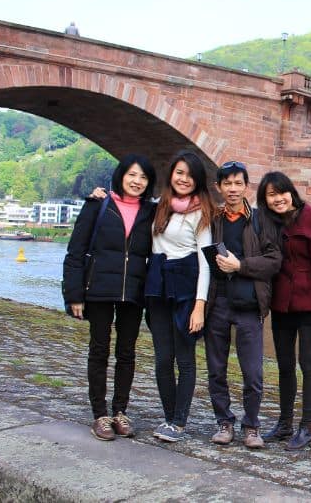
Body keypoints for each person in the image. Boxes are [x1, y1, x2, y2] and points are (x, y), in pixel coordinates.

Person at [63, 154, 157, 441]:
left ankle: (120, 411)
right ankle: (100, 414)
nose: (137, 181)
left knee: (127, 353)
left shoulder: (151, 211)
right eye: (132, 175)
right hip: (99, 290)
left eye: (143, 177)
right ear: (121, 176)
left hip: (133, 292)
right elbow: (76, 251)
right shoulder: (98, 204)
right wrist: (74, 294)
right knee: (99, 350)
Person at [204, 161, 282, 448]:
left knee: (253, 372)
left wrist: (241, 265)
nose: (233, 189)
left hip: (249, 303)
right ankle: (224, 422)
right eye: (227, 184)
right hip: (218, 301)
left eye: (238, 183)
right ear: (219, 187)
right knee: (216, 368)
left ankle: (251, 426)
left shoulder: (261, 220)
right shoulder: (212, 219)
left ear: (246, 186)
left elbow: (274, 261)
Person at [258, 171, 311, 450]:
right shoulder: (268, 222)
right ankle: (285, 424)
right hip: (282, 305)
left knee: (308, 363)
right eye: (271, 195)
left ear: (291, 192)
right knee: (284, 364)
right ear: (265, 200)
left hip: (309, 305)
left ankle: (307, 427)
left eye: (281, 192)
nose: (278, 199)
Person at [145, 150, 215, 443]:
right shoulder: (160, 206)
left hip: (185, 292)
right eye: (179, 173)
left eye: (190, 175)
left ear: (198, 180)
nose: (184, 179)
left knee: (184, 360)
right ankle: (169, 417)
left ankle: (179, 422)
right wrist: (101, 196)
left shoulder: (201, 212)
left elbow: (205, 263)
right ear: (171, 174)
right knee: (163, 359)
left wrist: (200, 306)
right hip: (158, 290)